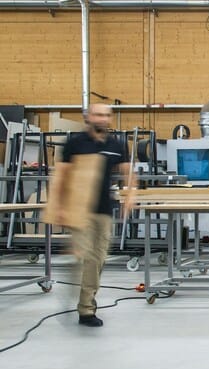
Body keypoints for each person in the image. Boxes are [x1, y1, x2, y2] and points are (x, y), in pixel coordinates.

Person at [54, 103, 137, 327]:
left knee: (97, 260)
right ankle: (86, 310)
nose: (102, 119)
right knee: (86, 257)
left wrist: (130, 194)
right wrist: (59, 206)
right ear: (88, 117)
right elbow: (61, 176)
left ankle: (84, 300)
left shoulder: (116, 145)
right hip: (79, 208)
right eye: (98, 115)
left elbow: (128, 173)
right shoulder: (74, 143)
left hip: (104, 211)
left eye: (106, 115)